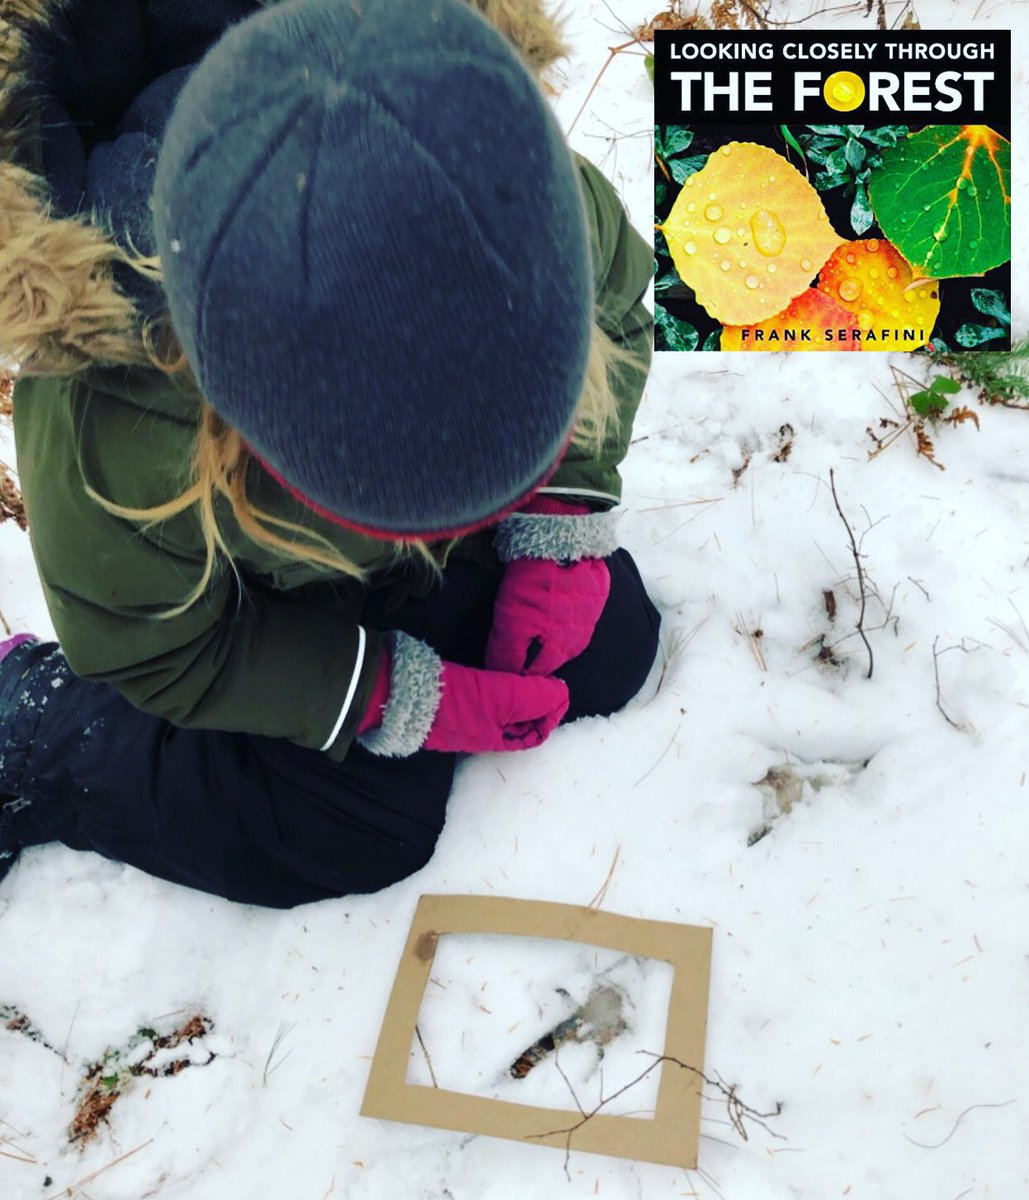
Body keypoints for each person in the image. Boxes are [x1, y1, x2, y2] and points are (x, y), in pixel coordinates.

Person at [0, 0, 658, 907]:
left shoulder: (513, 188)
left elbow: (618, 301)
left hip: (366, 539)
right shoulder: (119, 430)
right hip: (260, 603)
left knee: (612, 646)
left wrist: (561, 518)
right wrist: (377, 692)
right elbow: (156, 648)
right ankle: (31, 725)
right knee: (342, 831)